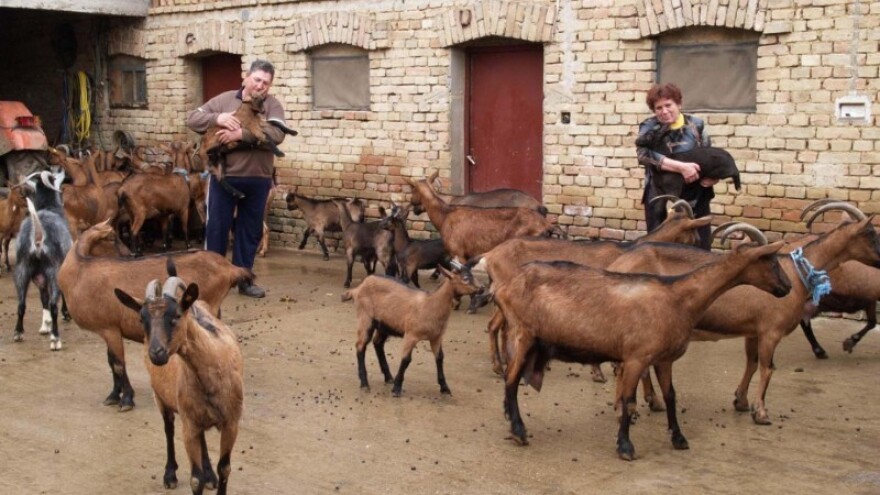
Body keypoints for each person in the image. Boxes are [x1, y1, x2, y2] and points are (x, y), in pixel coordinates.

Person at [186, 59, 287, 298]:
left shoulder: (271, 105)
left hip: (258, 179)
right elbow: (192, 119)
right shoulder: (223, 100)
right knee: (217, 229)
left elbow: (278, 133)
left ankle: (244, 280)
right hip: (224, 179)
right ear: (246, 77)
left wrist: (242, 134)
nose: (260, 85)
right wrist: (218, 119)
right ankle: (212, 279)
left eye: (266, 82)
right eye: (257, 79)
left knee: (249, 232)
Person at [636, 82, 717, 250]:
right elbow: (643, 155)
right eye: (658, 108)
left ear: (678, 104)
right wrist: (681, 167)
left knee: (700, 241)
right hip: (658, 191)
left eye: (668, 105)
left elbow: (709, 154)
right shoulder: (649, 126)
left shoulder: (696, 125)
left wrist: (713, 176)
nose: (664, 111)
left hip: (694, 191)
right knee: (657, 242)